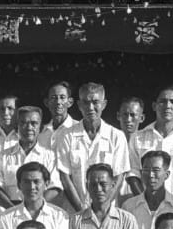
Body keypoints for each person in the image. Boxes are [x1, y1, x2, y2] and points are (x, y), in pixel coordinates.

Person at [54, 83, 133, 212]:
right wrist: (82, 211)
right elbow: (65, 177)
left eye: (95, 102)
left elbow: (118, 177)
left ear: (104, 104)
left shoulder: (117, 136)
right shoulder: (66, 135)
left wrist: (101, 208)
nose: (90, 107)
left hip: (107, 212)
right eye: (86, 102)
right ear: (79, 105)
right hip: (75, 212)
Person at [130, 86, 173, 201]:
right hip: (145, 208)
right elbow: (133, 174)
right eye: (163, 101)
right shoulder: (137, 138)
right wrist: (145, 203)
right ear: (154, 106)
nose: (167, 106)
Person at [70, 163, 145, 229]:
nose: (98, 189)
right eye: (93, 185)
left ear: (113, 185)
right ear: (87, 187)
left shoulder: (127, 220)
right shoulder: (75, 220)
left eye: (103, 184)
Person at [0, 105, 60, 206]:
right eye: (23, 123)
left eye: (34, 123)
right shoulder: (4, 156)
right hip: (10, 210)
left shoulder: (50, 156)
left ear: (40, 127)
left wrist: (35, 207)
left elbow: (54, 188)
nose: (29, 128)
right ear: (17, 126)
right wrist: (14, 210)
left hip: (40, 212)